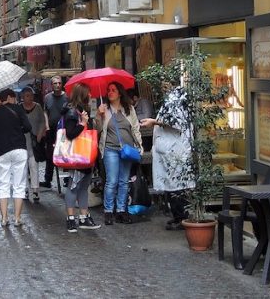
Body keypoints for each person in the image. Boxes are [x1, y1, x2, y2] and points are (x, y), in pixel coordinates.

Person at [140, 80, 194, 230]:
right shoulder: (174, 99)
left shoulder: (177, 100)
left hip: (175, 150)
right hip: (170, 150)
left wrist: (154, 122)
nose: (162, 88)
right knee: (172, 185)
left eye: (165, 84)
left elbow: (175, 123)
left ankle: (182, 218)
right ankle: (177, 216)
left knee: (177, 186)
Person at [0, 89, 31, 226]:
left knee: (3, 184)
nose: (15, 100)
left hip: (2, 151)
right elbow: (28, 127)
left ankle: (4, 218)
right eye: (14, 98)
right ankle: (17, 218)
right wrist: (17, 129)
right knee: (19, 184)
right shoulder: (18, 109)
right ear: (9, 97)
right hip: (19, 149)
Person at [97, 81, 142, 225]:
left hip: (127, 150)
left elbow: (135, 128)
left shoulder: (129, 109)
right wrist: (99, 116)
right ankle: (108, 211)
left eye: (113, 90)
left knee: (124, 181)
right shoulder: (104, 109)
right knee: (112, 181)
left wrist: (139, 146)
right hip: (110, 149)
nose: (110, 92)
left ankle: (121, 210)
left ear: (119, 93)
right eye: (108, 90)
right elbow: (97, 129)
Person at [61, 83, 101, 233]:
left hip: (85, 155)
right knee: (73, 186)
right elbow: (70, 134)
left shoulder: (82, 111)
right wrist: (83, 124)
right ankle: (71, 219)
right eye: (89, 93)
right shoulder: (72, 112)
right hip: (77, 156)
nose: (91, 96)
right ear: (83, 94)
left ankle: (83, 217)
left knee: (83, 187)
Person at [19, 87, 47, 202]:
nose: (30, 98)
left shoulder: (38, 107)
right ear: (22, 97)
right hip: (22, 141)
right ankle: (24, 189)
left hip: (35, 141)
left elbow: (42, 121)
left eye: (31, 95)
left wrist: (40, 134)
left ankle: (35, 190)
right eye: (27, 95)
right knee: (23, 167)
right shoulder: (19, 108)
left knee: (34, 166)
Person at [42, 76, 68, 187]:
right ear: (51, 85)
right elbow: (45, 112)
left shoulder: (67, 97)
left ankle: (67, 178)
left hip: (64, 129)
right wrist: (46, 126)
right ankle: (48, 179)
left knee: (65, 152)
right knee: (49, 154)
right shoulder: (47, 97)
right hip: (51, 129)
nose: (57, 85)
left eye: (59, 83)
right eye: (55, 83)